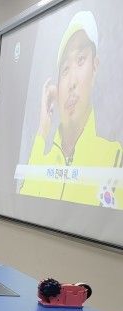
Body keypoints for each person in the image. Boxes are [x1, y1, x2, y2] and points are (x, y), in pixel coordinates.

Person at [21, 11, 123, 207]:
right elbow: (25, 205)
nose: (71, 82)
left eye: (81, 60)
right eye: (65, 70)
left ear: (95, 67)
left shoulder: (114, 158)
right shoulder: (43, 159)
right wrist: (42, 130)